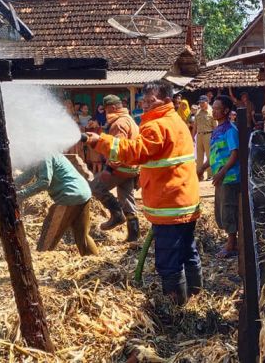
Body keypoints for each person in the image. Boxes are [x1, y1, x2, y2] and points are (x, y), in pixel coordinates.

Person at [85, 81, 202, 305]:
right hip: (184, 200)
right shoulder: (174, 119)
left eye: (152, 101)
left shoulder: (157, 125)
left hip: (169, 204)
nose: (146, 105)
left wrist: (101, 142)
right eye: (144, 101)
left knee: (169, 262)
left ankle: (175, 310)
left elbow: (136, 152)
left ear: (167, 101)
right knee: (188, 251)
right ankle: (196, 296)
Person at [15, 154, 99, 256]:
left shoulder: (44, 155)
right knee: (82, 236)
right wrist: (13, 184)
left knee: (47, 237)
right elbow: (29, 174)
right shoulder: (46, 153)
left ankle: (41, 260)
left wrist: (20, 195)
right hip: (83, 193)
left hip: (69, 196)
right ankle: (94, 259)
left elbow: (44, 182)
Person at [90, 94, 141, 242]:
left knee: (95, 187)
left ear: (112, 108)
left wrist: (109, 170)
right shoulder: (129, 119)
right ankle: (133, 237)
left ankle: (117, 215)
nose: (105, 113)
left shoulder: (119, 123)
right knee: (127, 200)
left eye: (106, 110)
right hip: (132, 168)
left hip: (120, 168)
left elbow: (117, 149)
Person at [197, 95, 240, 259]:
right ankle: (230, 242)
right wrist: (202, 167)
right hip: (220, 178)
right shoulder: (217, 129)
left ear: (226, 110)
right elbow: (214, 154)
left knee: (229, 209)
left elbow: (235, 154)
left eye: (217, 108)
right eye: (213, 108)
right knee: (221, 209)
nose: (213, 111)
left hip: (230, 178)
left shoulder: (231, 130)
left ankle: (231, 245)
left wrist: (222, 171)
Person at [192, 95, 216, 181]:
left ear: (207, 102)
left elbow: (215, 127)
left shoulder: (212, 112)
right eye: (200, 103)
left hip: (209, 135)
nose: (201, 104)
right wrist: (192, 137)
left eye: (203, 102)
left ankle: (210, 175)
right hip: (199, 135)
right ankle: (199, 175)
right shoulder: (198, 112)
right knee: (199, 156)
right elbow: (195, 126)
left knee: (210, 155)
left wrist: (215, 138)